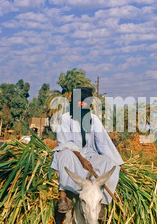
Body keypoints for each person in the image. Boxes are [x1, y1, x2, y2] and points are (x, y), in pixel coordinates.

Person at [51, 87, 123, 217]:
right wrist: (81, 159)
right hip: (72, 155)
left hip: (89, 157)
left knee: (110, 163)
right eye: (79, 101)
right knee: (65, 155)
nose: (82, 104)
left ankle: (103, 203)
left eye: (85, 102)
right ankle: (64, 195)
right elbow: (65, 143)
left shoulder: (93, 119)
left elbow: (103, 143)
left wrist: (117, 163)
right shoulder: (66, 118)